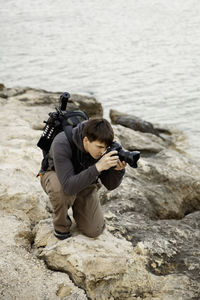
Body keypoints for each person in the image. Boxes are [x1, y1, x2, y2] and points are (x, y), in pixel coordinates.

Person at [40, 118, 126, 240]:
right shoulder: (62, 142)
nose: (102, 152)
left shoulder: (103, 147)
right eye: (99, 147)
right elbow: (68, 187)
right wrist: (98, 167)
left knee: (94, 230)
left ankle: (77, 205)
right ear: (86, 140)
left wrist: (118, 170)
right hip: (57, 176)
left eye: (105, 148)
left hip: (84, 180)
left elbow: (110, 185)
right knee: (61, 190)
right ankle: (61, 225)